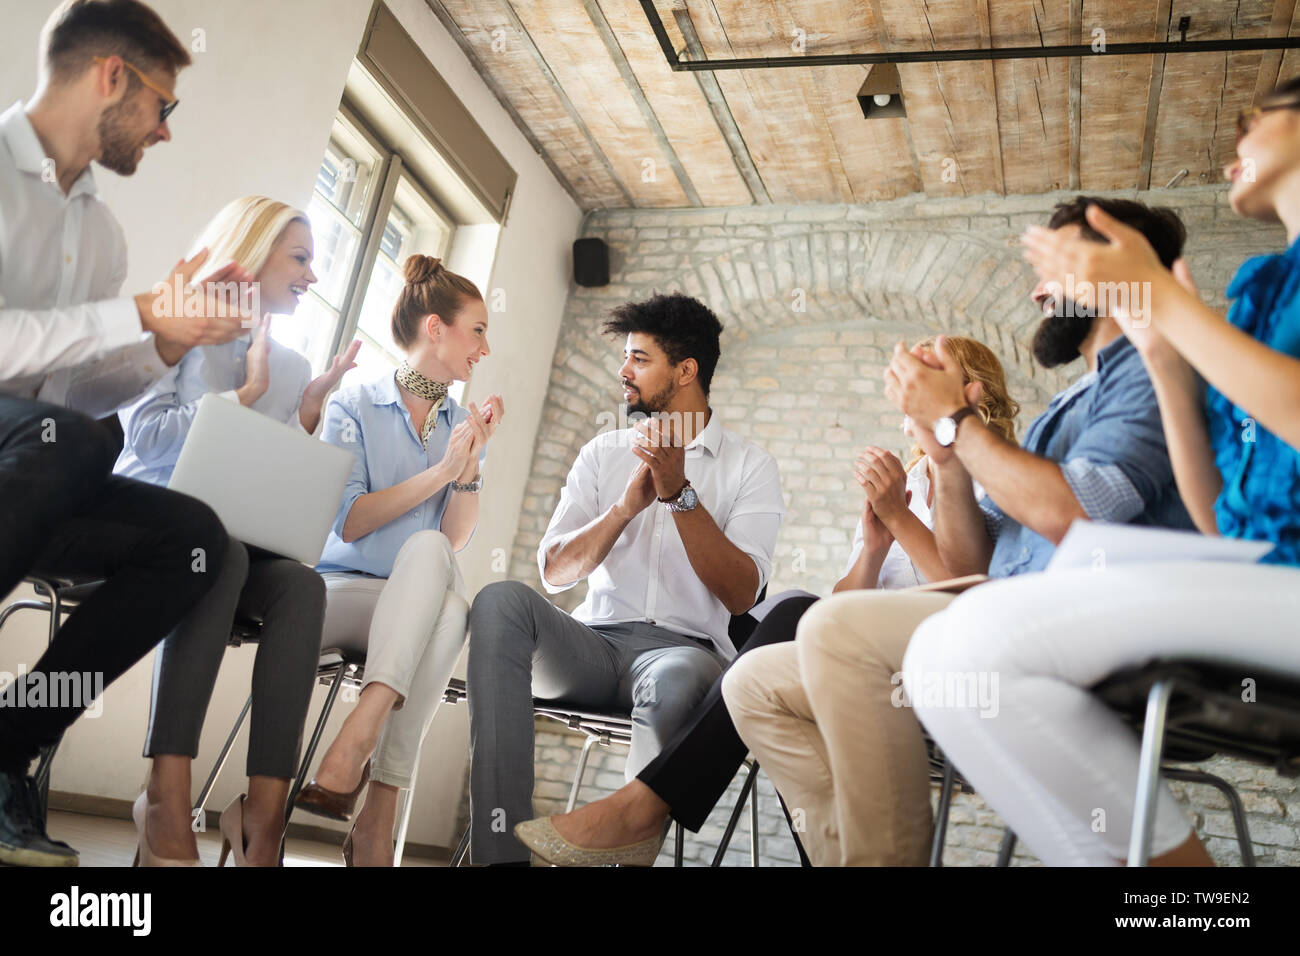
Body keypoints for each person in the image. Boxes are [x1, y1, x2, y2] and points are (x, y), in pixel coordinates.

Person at [722, 196, 1197, 866]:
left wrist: (957, 426)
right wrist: (944, 456)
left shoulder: (1149, 374)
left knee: (836, 626)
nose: (1036, 289)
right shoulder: (1069, 405)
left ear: (1114, 266)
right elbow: (972, 557)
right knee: (753, 683)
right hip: (1002, 614)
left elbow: (1078, 514)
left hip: (1076, 629)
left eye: (1052, 265)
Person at [904, 78, 1300, 867]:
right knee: (952, 663)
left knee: (966, 652)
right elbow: (1221, 519)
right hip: (1255, 573)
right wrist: (1162, 355)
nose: (1237, 142)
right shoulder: (1261, 288)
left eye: (1257, 118)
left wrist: (1163, 309)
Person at [514, 337, 1019, 865]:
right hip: (864, 660)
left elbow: (970, 590)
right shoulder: (909, 481)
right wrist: (873, 548)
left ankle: (642, 806)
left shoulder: (995, 476)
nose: (908, 388)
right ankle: (661, 809)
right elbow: (841, 606)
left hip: (932, 667)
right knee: (784, 648)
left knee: (785, 627)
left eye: (929, 374)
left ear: (970, 392)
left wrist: (897, 519)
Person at [0, 0, 255, 866]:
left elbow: (69, 391)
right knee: (70, 442)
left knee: (193, 543)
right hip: (25, 459)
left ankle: (5, 747)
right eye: (163, 106)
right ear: (113, 76)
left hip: (29, 471)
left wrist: (164, 341)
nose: (165, 132)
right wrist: (133, 310)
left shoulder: (100, 234)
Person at [467, 292, 786, 866]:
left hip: (683, 655)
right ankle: (498, 856)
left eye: (639, 358)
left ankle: (623, 852)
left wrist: (680, 495)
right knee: (499, 601)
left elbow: (743, 594)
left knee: (680, 675)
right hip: (592, 647)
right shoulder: (602, 452)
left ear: (686, 370)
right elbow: (556, 572)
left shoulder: (750, 467)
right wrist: (622, 510)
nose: (624, 371)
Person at [114, 196, 361, 866]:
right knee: (215, 555)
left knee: (303, 588)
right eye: (301, 259)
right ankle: (165, 795)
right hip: (146, 528)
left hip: (232, 543)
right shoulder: (182, 323)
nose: (313, 277)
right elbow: (146, 439)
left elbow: (267, 478)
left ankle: (263, 822)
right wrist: (244, 395)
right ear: (253, 253)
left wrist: (307, 414)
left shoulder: (294, 365)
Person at [292, 254, 502, 867]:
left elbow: (457, 536)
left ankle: (364, 768)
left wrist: (466, 470)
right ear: (436, 329)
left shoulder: (458, 425)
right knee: (449, 601)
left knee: (447, 596)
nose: (485, 348)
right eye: (478, 330)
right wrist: (441, 469)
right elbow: (350, 520)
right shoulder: (352, 402)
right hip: (341, 594)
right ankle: (375, 799)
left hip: (407, 612)